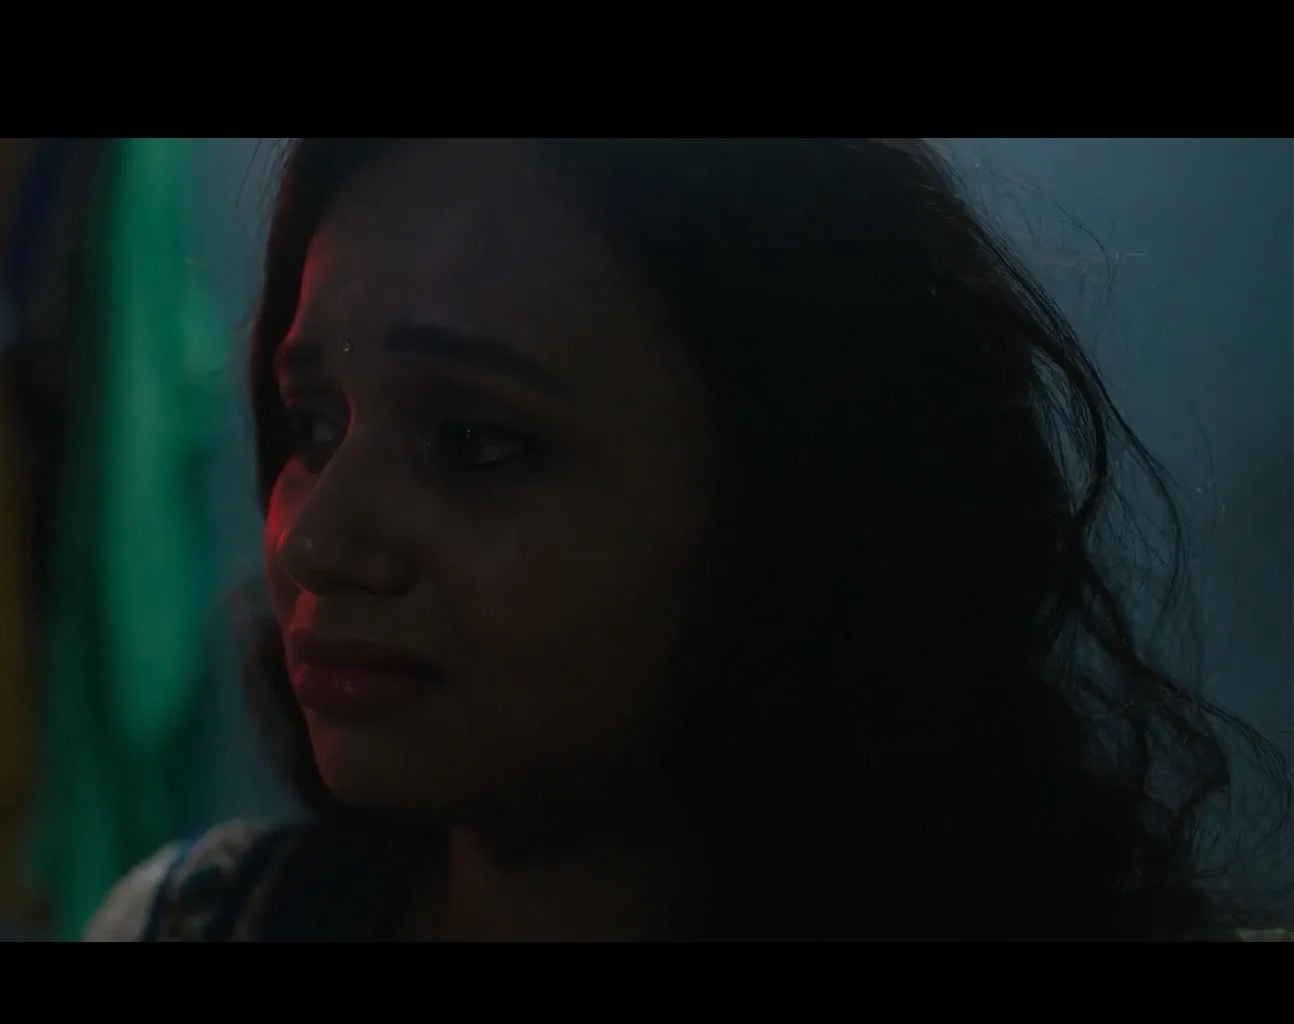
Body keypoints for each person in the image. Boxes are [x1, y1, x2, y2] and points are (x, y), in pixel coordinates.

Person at [83, 138, 1289, 941]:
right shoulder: (192, 923)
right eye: (313, 424)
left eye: (476, 443)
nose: (319, 541)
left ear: (798, 499)